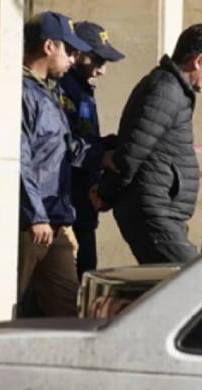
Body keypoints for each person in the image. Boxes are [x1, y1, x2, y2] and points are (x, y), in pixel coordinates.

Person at [95, 23, 202, 265]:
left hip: (163, 211)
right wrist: (105, 193)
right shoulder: (165, 90)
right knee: (192, 279)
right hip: (153, 212)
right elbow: (132, 152)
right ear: (199, 60)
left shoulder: (173, 90)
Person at [19, 11, 114, 317]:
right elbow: (19, 159)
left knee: (68, 311)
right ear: (49, 46)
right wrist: (35, 215)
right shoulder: (23, 93)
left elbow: (64, 147)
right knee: (11, 306)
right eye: (69, 51)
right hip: (31, 224)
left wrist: (104, 154)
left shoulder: (47, 91)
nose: (74, 59)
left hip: (56, 219)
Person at [57, 21, 125, 279]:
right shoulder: (62, 88)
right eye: (98, 60)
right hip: (66, 203)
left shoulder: (83, 90)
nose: (102, 70)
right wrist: (101, 156)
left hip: (82, 205)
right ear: (78, 53)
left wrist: (109, 144)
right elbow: (62, 144)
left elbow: (84, 138)